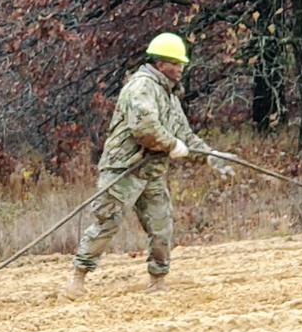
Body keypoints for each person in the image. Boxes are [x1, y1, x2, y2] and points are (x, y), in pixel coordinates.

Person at [62, 32, 236, 299]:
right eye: (175, 63)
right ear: (159, 63)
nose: (180, 69)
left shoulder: (169, 96)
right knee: (106, 223)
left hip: (151, 173)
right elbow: (145, 129)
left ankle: (157, 282)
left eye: (181, 64)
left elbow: (185, 136)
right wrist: (171, 145)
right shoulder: (141, 87)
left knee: (161, 226)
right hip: (123, 171)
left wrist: (211, 156)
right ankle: (77, 281)